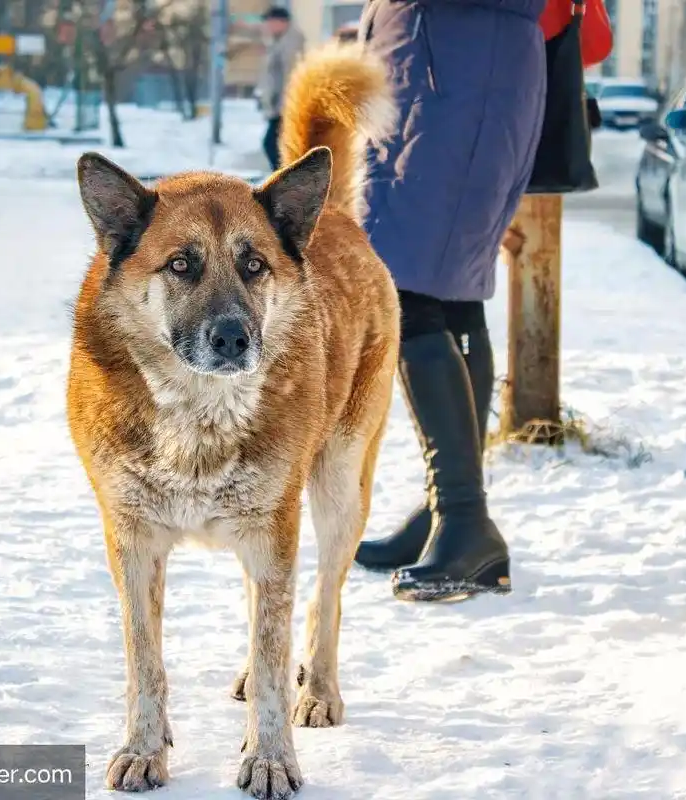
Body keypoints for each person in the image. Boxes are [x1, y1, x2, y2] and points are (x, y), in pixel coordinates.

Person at [354, 0, 612, 604]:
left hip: (458, 80)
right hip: (437, 73)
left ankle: (464, 520)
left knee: (408, 290)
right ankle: (447, 511)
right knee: (446, 291)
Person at [256, 7, 304, 171]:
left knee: (272, 145)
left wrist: (286, 106)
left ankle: (283, 184)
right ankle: (284, 183)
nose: (268, 26)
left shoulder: (291, 42)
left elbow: (290, 75)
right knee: (277, 147)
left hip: (286, 107)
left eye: (270, 22)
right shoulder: (279, 40)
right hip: (280, 106)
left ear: (281, 22)